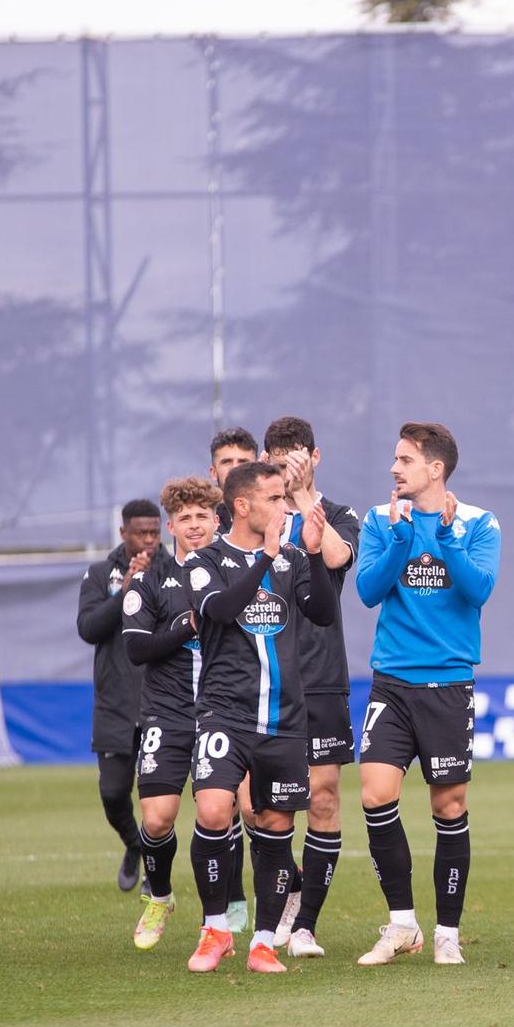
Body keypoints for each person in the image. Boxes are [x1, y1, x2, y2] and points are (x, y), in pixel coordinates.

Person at [351, 422, 501, 967]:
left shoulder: (480, 524)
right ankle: (402, 924)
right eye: (396, 459)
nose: (395, 468)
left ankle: (448, 933)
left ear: (434, 469)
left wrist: (440, 534)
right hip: (390, 682)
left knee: (449, 804)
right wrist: (398, 537)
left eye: (405, 460)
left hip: (448, 684)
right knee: (374, 795)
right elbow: (368, 591)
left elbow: (478, 589)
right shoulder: (378, 520)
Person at [182, 462, 336, 974]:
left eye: (285, 498)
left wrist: (312, 554)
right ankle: (215, 930)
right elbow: (222, 611)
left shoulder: (292, 559)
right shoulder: (205, 561)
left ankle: (264, 942)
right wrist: (265, 555)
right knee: (213, 811)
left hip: (285, 720)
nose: (284, 508)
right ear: (243, 506)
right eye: (274, 498)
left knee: (274, 829)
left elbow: (322, 613)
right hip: (225, 714)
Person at [261, 416, 361, 958]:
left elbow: (340, 557)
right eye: (277, 457)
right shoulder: (256, 517)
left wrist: (302, 498)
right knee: (260, 808)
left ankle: (306, 927)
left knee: (322, 797)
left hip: (321, 678)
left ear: (314, 457)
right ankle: (289, 892)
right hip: (263, 680)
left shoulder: (339, 515)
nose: (288, 464)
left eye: (296, 456)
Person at [121, 477, 222, 951]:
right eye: (186, 518)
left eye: (203, 516)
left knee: (220, 812)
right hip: (167, 712)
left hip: (225, 713)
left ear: (217, 520)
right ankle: (159, 896)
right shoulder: (150, 579)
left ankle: (217, 918)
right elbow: (138, 648)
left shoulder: (232, 574)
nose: (195, 525)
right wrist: (186, 626)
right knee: (159, 819)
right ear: (171, 526)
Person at [76, 499, 161, 893]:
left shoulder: (173, 572)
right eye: (140, 532)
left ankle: (153, 872)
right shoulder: (99, 573)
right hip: (114, 704)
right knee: (112, 793)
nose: (148, 540)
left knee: (155, 797)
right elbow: (89, 628)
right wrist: (124, 590)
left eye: (154, 532)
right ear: (123, 532)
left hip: (160, 702)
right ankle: (134, 845)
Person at [203, 426, 257, 927]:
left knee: (251, 805)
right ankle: (223, 907)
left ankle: (247, 907)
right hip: (193, 688)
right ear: (212, 471)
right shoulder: (202, 534)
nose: (234, 466)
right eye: (226, 460)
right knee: (214, 805)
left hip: (259, 689)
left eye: (244, 458)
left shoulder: (271, 527)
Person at [209, 426, 258, 537]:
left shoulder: (273, 512)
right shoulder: (200, 518)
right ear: (213, 472)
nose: (235, 468)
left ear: (257, 468)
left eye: (243, 462)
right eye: (227, 462)